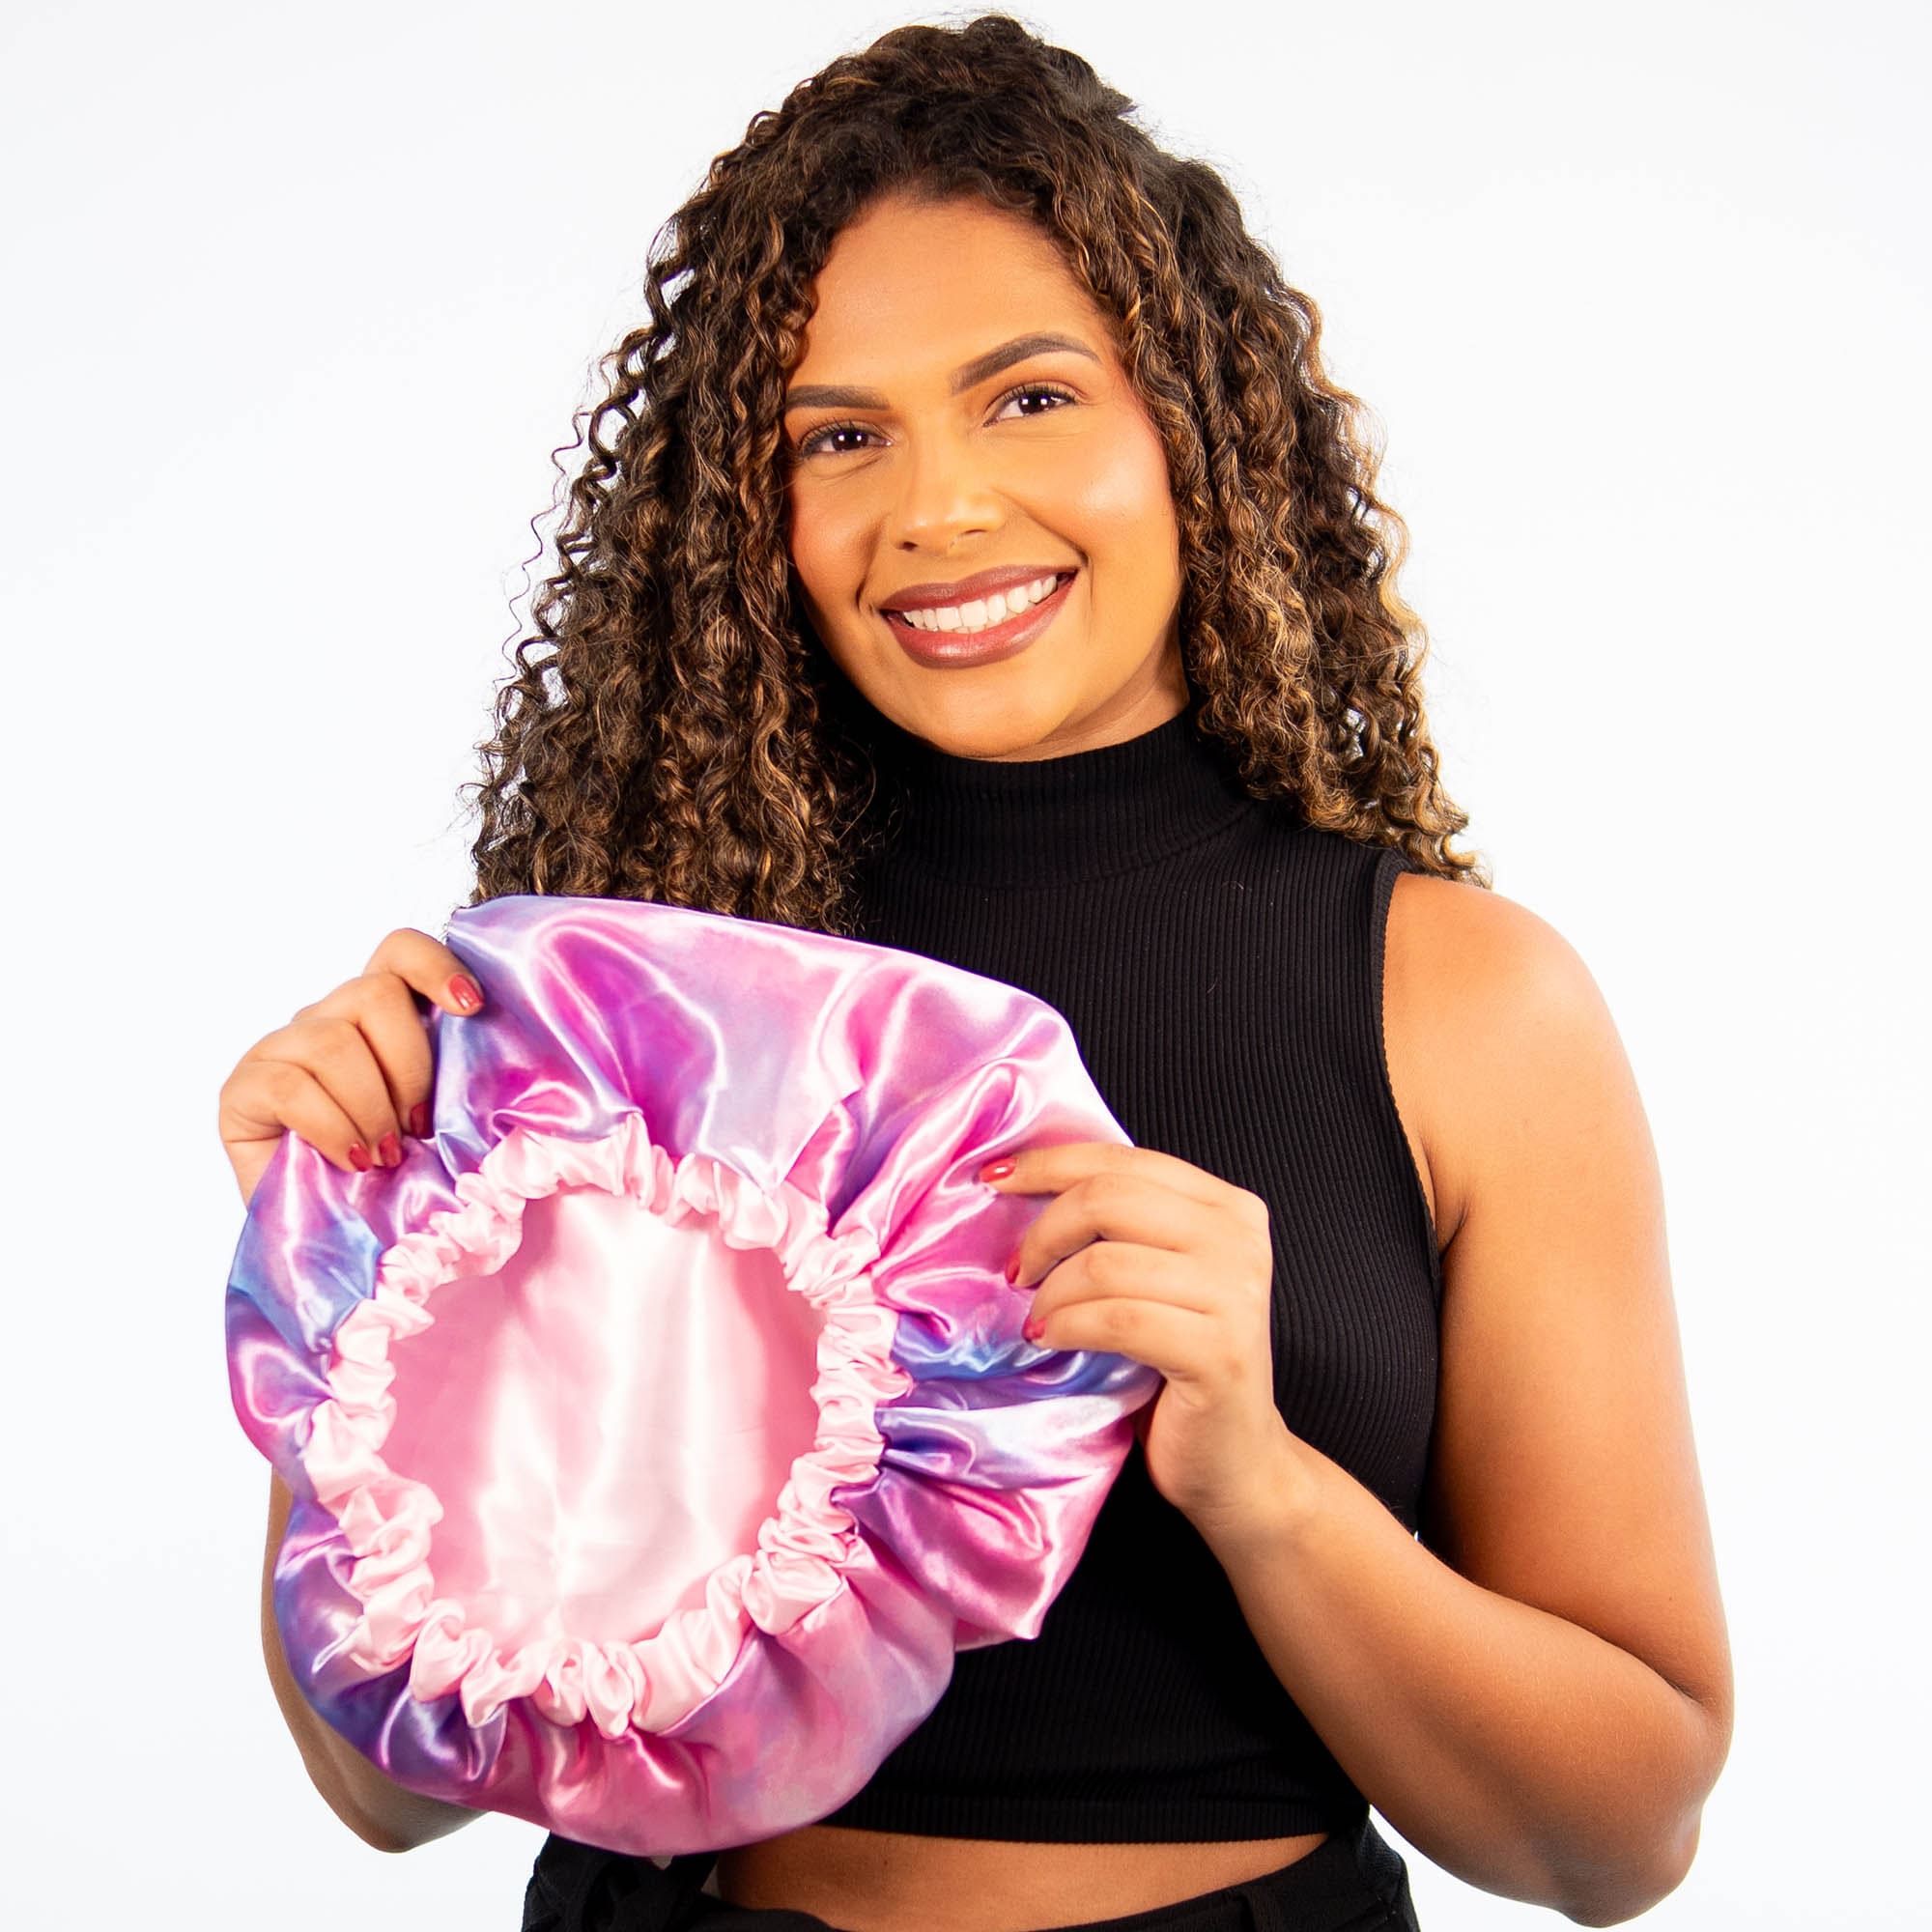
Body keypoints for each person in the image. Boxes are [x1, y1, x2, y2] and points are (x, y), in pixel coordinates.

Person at [216, 15, 1734, 1931]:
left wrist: (1263, 1485)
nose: (935, 504)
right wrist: (339, 1261)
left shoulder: (1461, 1005)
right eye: (839, 436)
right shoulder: (621, 1012)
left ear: (1196, 426)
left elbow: (1615, 1842)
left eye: (1027, 397)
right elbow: (380, 1790)